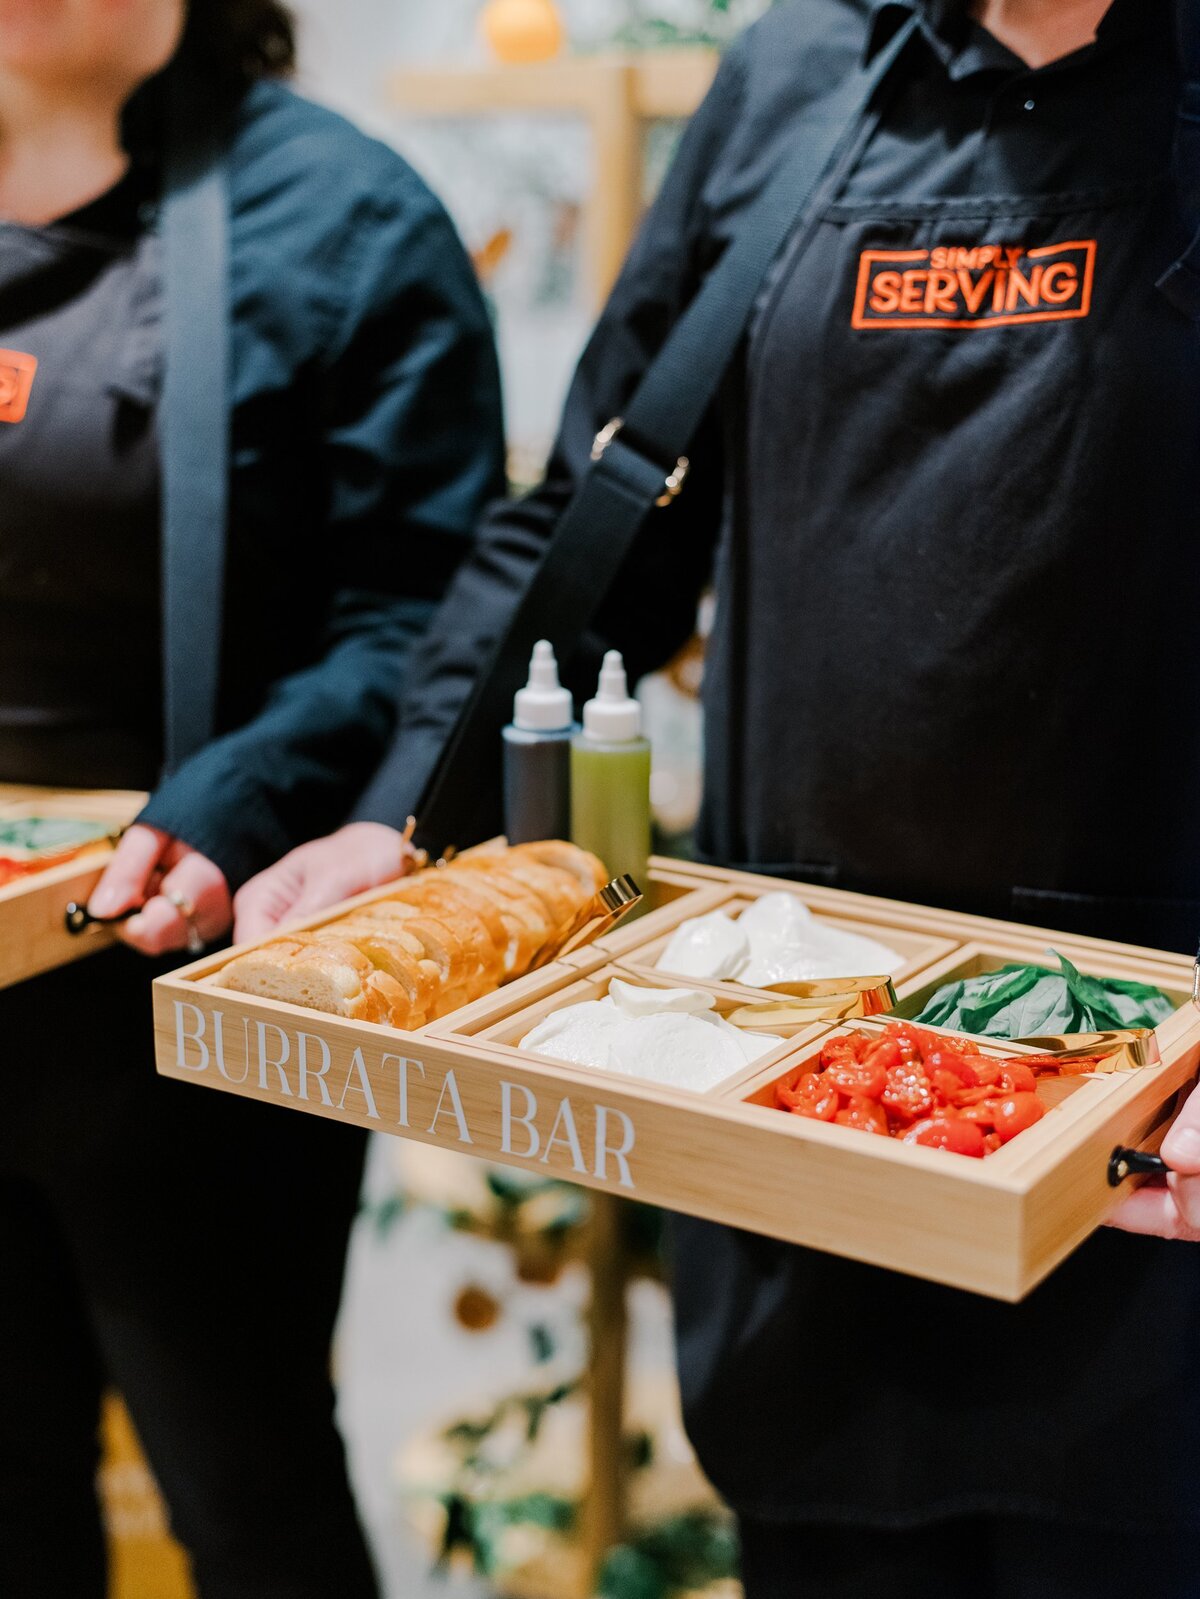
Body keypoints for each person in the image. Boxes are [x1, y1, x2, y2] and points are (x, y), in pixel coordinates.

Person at [238, 0, 1200, 1594]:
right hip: (798, 1083)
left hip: (1159, 1127)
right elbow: (602, 521)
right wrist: (401, 811)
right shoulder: (796, 77)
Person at [0, 2, 504, 1594]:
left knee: (248, 1488)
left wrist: (245, 789)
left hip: (192, 968)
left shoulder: (344, 217)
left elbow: (419, 619)